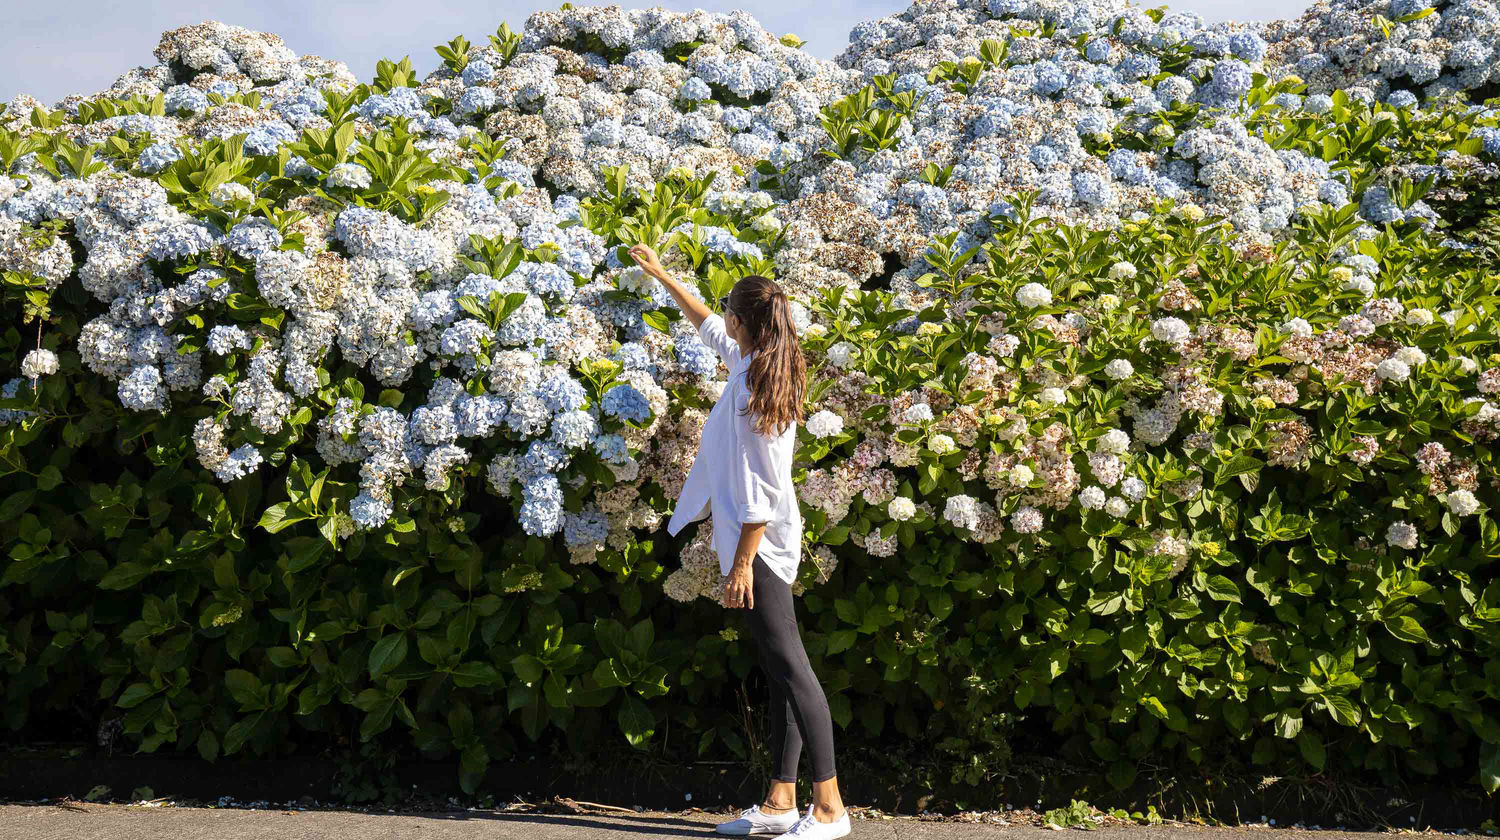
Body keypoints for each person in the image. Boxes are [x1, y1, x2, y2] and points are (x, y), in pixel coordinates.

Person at [627, 243, 851, 840]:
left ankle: (829, 808)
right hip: (758, 540)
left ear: (743, 322)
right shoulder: (753, 363)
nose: (720, 318)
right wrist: (661, 274)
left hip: (764, 545)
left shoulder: (757, 389)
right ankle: (780, 800)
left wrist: (743, 565)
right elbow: (706, 326)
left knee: (792, 670)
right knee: (780, 672)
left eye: (727, 310)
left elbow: (764, 493)